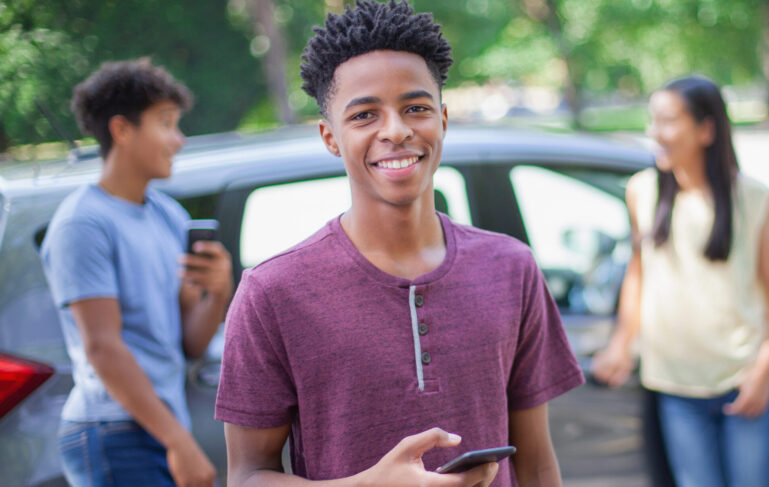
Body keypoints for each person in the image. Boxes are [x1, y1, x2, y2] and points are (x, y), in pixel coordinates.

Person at [213, 2, 585, 486]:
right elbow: (247, 476)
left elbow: (535, 463)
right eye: (365, 114)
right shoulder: (272, 292)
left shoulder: (510, 267)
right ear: (330, 137)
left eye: (416, 108)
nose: (396, 130)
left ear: (444, 119)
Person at [41, 59, 234, 487]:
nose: (179, 140)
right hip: (113, 431)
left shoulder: (168, 216)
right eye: (166, 123)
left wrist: (218, 293)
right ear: (122, 130)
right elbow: (103, 349)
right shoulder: (83, 223)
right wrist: (179, 442)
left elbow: (190, 342)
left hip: (159, 425)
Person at [592, 76, 769, 487]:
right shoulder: (641, 192)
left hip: (744, 380)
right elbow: (639, 272)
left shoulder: (754, 199)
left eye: (668, 121)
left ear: (706, 129)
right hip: (676, 387)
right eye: (653, 120)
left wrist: (765, 369)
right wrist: (620, 342)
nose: (655, 133)